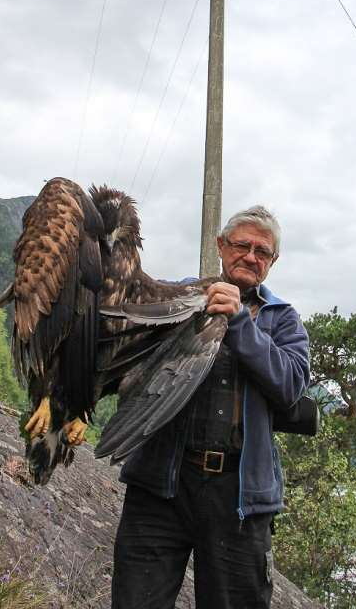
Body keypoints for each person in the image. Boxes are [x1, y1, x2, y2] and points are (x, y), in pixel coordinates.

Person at [112, 205, 310, 609]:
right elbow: (122, 343)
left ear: (272, 262)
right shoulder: (182, 296)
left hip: (238, 495)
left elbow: (290, 386)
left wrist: (239, 321)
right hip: (160, 481)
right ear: (221, 246)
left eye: (263, 252)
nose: (251, 257)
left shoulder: (283, 319)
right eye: (242, 245)